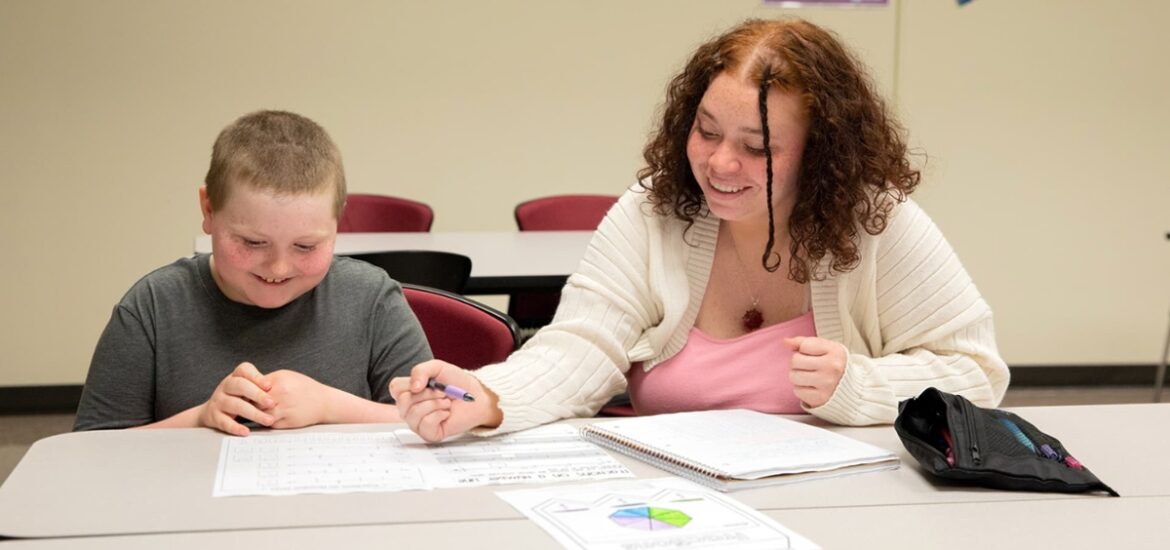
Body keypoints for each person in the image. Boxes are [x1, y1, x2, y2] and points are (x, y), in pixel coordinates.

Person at [392, 18, 1010, 442]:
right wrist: (488, 397)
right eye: (707, 131)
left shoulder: (877, 222)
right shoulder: (652, 210)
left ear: (821, 154)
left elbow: (977, 374)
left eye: (756, 147)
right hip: (673, 506)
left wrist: (860, 385)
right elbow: (581, 346)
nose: (719, 164)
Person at [74, 110, 432, 435]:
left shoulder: (371, 300)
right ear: (209, 210)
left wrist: (329, 406)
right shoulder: (152, 308)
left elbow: (434, 420)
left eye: (305, 247)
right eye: (252, 242)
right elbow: (90, 451)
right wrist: (199, 419)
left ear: (337, 222)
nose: (278, 268)